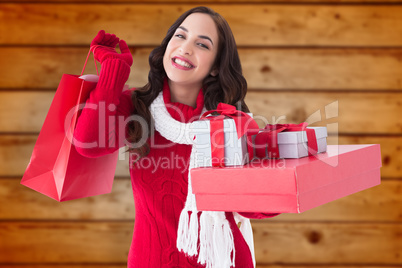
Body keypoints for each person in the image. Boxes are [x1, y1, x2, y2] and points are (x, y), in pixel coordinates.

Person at [74, 6, 278, 268]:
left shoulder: (232, 123)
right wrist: (114, 69)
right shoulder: (137, 107)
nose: (185, 48)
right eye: (180, 36)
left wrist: (279, 179)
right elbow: (89, 143)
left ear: (216, 67)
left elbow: (256, 207)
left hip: (222, 260)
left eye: (202, 44)